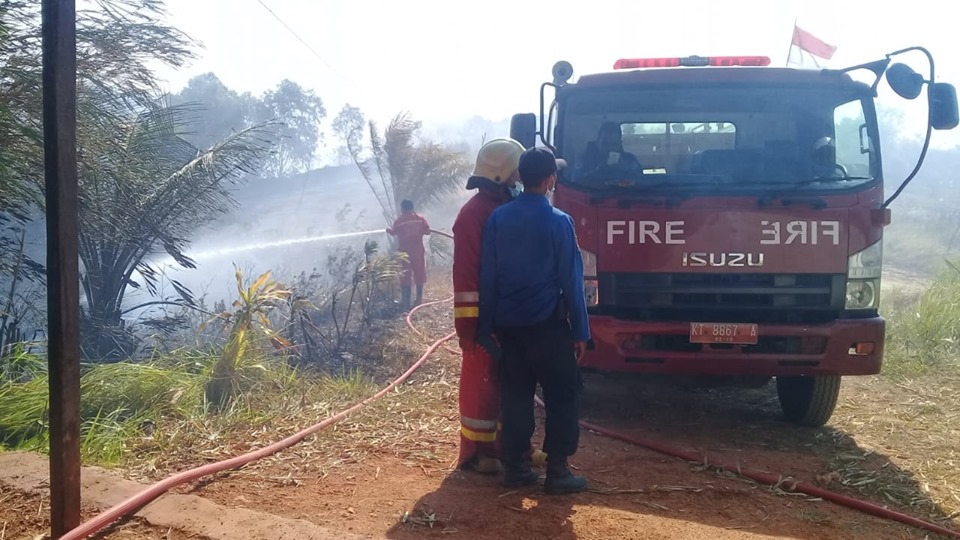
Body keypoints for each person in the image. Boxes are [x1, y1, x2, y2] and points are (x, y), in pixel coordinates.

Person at [477, 146, 590, 494]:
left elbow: (488, 277)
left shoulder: (498, 219)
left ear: (521, 178)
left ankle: (516, 468)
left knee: (515, 398)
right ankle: (557, 472)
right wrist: (581, 331)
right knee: (561, 396)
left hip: (509, 330)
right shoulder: (559, 222)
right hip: (549, 328)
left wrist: (485, 329)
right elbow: (572, 281)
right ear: (551, 179)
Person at [452, 137, 546, 475]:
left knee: (507, 387)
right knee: (482, 388)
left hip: (505, 318)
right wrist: (469, 328)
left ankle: (511, 448)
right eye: (515, 175)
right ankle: (476, 455)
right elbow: (466, 278)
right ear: (501, 175)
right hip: (482, 323)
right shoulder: (473, 214)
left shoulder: (500, 209)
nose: (518, 182)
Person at [386, 199, 430, 310]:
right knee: (419, 273)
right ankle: (419, 299)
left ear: (402, 209)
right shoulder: (420, 219)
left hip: (404, 253)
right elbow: (427, 231)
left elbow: (393, 232)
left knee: (405, 275)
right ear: (412, 207)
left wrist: (387, 230)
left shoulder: (399, 221)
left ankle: (406, 303)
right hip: (418, 251)